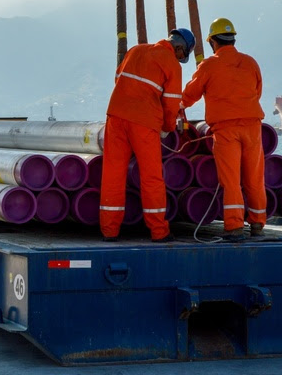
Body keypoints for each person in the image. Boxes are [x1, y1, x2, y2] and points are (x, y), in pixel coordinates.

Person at [99, 28, 196, 242]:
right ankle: (159, 231)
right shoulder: (171, 63)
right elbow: (171, 104)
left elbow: (119, 79)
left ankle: (109, 230)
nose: (181, 59)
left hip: (115, 116)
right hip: (144, 122)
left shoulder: (135, 50)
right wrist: (168, 128)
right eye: (183, 55)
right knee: (151, 177)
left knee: (113, 174)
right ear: (179, 47)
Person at [181, 18, 266, 237]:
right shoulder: (250, 63)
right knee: (254, 178)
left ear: (212, 42)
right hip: (252, 127)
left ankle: (234, 226)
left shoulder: (209, 65)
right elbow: (257, 92)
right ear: (233, 39)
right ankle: (257, 223)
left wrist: (175, 107)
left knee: (231, 181)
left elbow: (190, 95)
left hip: (226, 129)